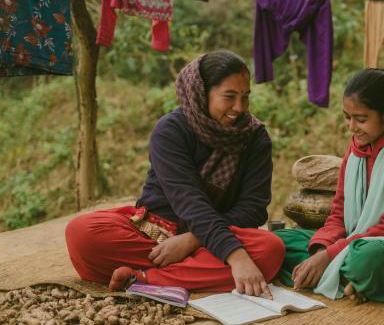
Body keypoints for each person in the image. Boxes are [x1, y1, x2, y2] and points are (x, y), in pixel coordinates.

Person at [65, 51, 284, 298]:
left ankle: (144, 279)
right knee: (81, 233)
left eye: (245, 97)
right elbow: (189, 201)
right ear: (202, 93)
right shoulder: (171, 131)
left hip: (215, 237)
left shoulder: (255, 138)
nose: (239, 108)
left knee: (270, 250)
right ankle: (191, 273)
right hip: (155, 235)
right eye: (229, 97)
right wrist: (235, 257)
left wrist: (192, 240)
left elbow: (252, 209)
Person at [275, 68, 384, 303]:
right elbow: (339, 213)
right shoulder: (356, 149)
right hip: (354, 241)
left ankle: (351, 277)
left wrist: (330, 255)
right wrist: (320, 251)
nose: (352, 127)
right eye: (347, 117)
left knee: (370, 259)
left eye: (361, 119)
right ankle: (357, 282)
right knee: (279, 243)